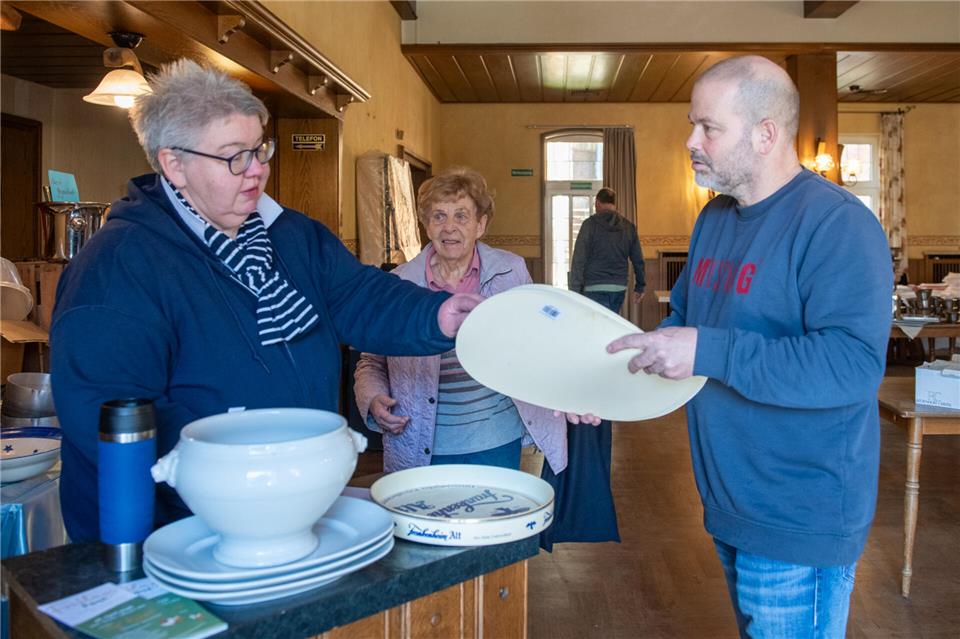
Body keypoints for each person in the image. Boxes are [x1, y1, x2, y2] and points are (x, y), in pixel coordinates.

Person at [50, 60, 481, 543]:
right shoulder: (119, 268)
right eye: (235, 156)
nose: (256, 171)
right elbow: (107, 421)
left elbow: (357, 294)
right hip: (186, 529)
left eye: (260, 149)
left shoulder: (290, 235)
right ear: (174, 164)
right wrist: (243, 471)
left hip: (289, 508)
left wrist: (435, 313)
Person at [607, 56, 891, 637]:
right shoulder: (714, 219)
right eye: (694, 124)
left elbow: (852, 365)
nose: (691, 141)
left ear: (766, 134)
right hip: (730, 501)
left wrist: (712, 351)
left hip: (798, 516)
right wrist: (605, 389)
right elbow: (682, 330)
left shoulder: (837, 224)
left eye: (708, 127)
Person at [354, 167, 569, 473]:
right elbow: (372, 360)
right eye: (439, 216)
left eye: (461, 216)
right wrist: (372, 397)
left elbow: (534, 344)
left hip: (494, 437)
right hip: (417, 440)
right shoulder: (401, 281)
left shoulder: (510, 271)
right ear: (426, 225)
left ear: (480, 225)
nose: (449, 227)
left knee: (492, 519)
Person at [568, 187, 645, 314]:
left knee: (596, 328)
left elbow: (578, 259)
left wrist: (574, 291)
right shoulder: (628, 227)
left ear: (597, 203)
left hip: (593, 286)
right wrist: (640, 287)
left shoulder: (589, 225)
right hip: (618, 287)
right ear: (614, 204)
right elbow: (638, 259)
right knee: (609, 324)